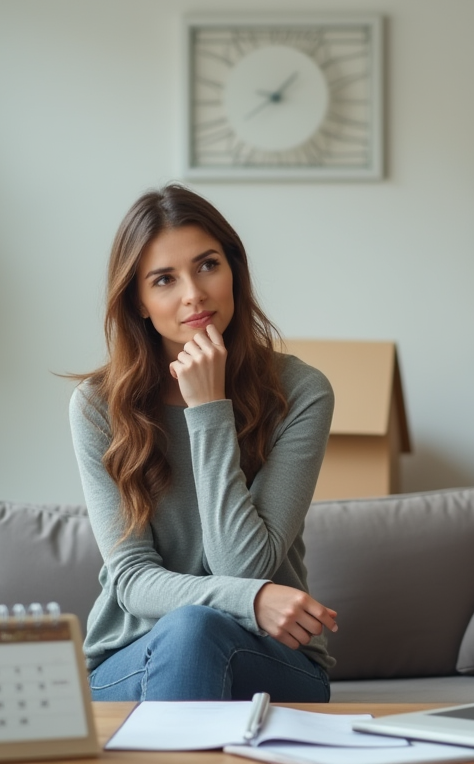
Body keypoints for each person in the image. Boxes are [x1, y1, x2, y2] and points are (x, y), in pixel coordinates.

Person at [70, 184, 337, 702]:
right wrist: (252, 599)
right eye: (164, 279)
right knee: (190, 630)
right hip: (132, 656)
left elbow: (243, 564)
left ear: (234, 271)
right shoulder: (98, 405)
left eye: (208, 265)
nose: (193, 292)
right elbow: (131, 578)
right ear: (140, 303)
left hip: (270, 656)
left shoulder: (301, 393)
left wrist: (208, 410)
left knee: (198, 630)